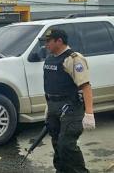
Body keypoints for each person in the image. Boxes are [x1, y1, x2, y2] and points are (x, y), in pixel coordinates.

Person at [39, 29, 95, 173]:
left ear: (59, 41)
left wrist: (89, 114)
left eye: (48, 41)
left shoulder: (73, 59)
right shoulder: (50, 59)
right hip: (53, 107)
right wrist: (48, 106)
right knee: (57, 144)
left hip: (71, 108)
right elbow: (50, 85)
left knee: (66, 145)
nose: (46, 45)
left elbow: (86, 86)